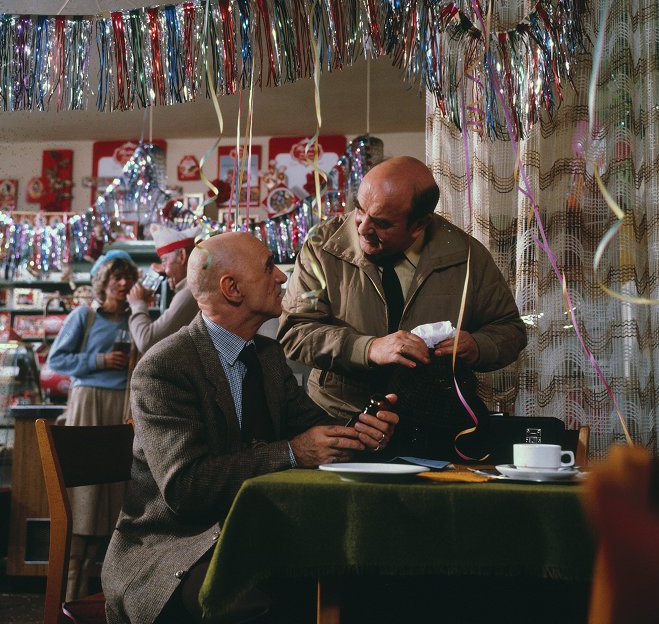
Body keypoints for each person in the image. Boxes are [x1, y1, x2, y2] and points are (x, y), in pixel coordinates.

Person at [101, 232, 399, 624]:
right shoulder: (165, 367)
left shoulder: (267, 355)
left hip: (251, 532)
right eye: (268, 266)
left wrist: (364, 429)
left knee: (361, 575)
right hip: (174, 549)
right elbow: (187, 489)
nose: (281, 277)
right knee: (259, 598)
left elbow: (316, 429)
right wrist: (292, 452)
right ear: (232, 288)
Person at [277, 155, 527, 456]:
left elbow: (510, 330)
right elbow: (294, 332)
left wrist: (478, 345)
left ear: (419, 225)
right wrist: (369, 348)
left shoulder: (467, 256)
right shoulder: (321, 247)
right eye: (359, 209)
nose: (362, 227)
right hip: (342, 423)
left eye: (381, 223)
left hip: (432, 428)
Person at [47, 250, 138, 600]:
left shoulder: (135, 319)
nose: (123, 282)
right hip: (88, 403)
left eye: (128, 277)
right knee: (84, 491)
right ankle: (70, 589)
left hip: (122, 405)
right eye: (116, 276)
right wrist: (99, 359)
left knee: (115, 492)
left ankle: (99, 588)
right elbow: (57, 360)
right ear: (103, 280)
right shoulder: (83, 316)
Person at [127, 224, 201, 354]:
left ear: (182, 255)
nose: (164, 270)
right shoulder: (190, 288)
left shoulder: (189, 292)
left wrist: (137, 304)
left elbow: (147, 342)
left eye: (164, 260)